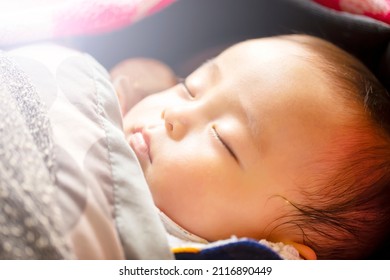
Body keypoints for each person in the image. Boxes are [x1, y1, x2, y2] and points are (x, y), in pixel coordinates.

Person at [110, 34, 390, 260]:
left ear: (274, 250)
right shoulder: (108, 106)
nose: (173, 114)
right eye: (189, 88)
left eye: (222, 140)